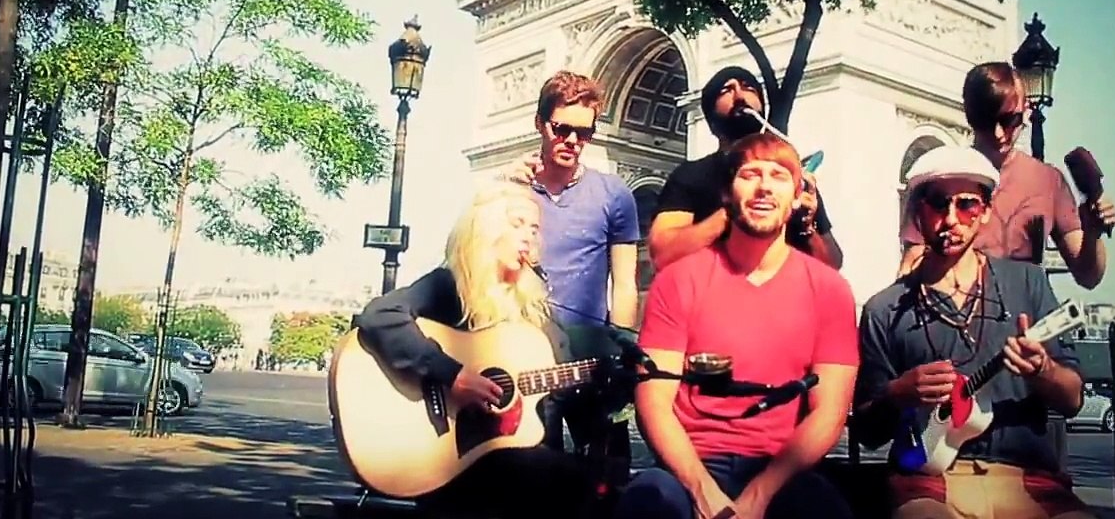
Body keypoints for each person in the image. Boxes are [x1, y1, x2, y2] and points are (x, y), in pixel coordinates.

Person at [614, 132, 859, 519]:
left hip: (781, 468)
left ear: (798, 198)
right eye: (750, 174)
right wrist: (701, 491)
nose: (764, 186)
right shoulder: (677, 280)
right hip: (688, 463)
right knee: (645, 502)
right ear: (726, 195)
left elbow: (828, 412)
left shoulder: (831, 290)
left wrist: (760, 495)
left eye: (779, 176)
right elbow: (653, 401)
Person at [852, 145, 1091, 519]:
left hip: (1028, 476)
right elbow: (867, 433)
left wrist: (1043, 371)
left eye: (967, 205)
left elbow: (1072, 399)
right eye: (937, 203)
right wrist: (896, 393)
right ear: (917, 212)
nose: (951, 219)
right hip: (926, 476)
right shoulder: (884, 310)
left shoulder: (1027, 284)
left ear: (985, 212)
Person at [352, 181, 597, 519]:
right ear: (486, 230)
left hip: (527, 460)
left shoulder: (538, 310)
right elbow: (378, 316)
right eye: (516, 224)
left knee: (594, 482)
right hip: (456, 461)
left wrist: (607, 378)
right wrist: (451, 374)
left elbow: (565, 376)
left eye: (534, 228)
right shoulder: (450, 286)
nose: (528, 236)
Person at [500, 71, 641, 473]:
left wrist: (622, 345)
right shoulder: (511, 189)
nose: (573, 142)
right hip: (525, 357)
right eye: (562, 129)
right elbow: (474, 260)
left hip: (590, 359)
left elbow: (625, 282)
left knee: (607, 481)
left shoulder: (614, 194)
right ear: (539, 123)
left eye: (585, 132)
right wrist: (502, 193)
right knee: (533, 483)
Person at [899, 61, 1115, 289]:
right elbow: (910, 266)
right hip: (953, 317)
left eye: (1009, 120)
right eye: (986, 121)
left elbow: (1088, 277)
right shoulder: (940, 176)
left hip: (1026, 320)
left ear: (1026, 109)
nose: (999, 133)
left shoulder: (1048, 181)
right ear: (969, 115)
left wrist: (1092, 233)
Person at [648, 66, 843, 272]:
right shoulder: (691, 176)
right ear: (711, 118)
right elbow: (663, 254)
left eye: (748, 88)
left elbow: (832, 265)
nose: (739, 95)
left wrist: (807, 226)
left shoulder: (792, 178)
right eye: (726, 91)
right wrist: (735, 212)